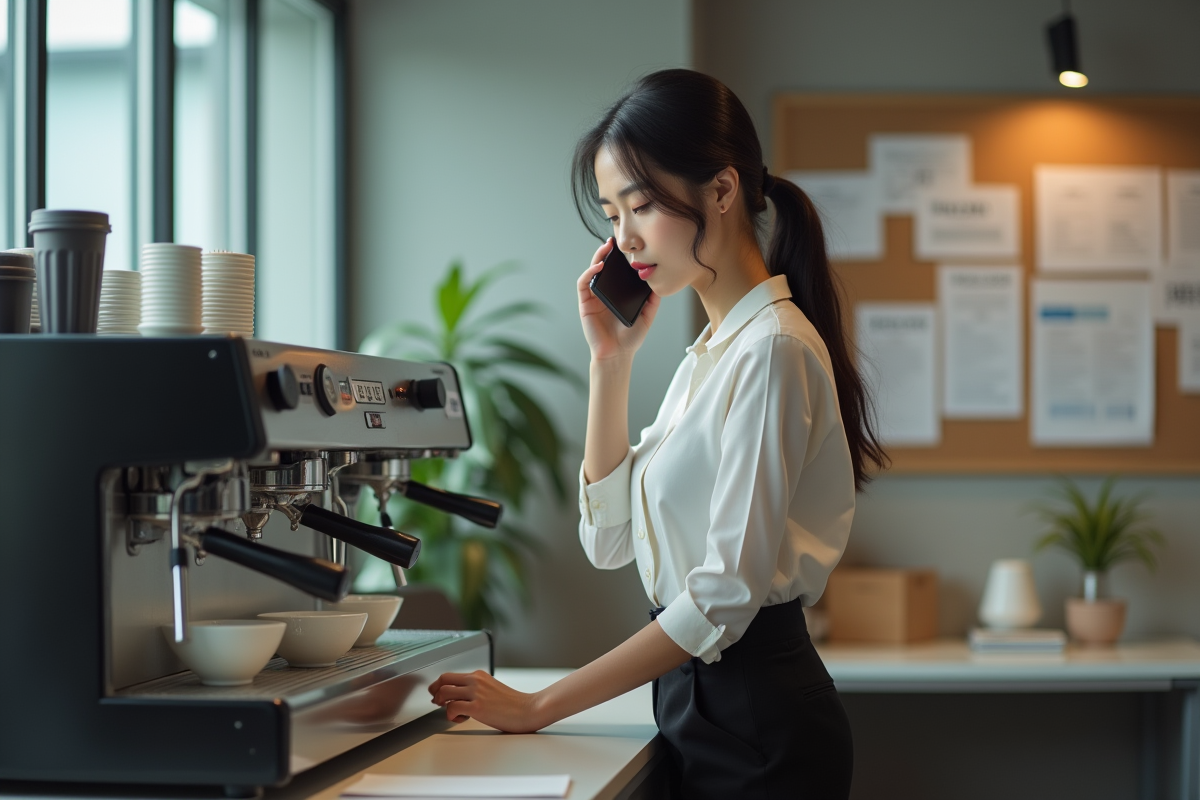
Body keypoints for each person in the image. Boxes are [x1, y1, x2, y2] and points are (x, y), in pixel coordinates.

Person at [429, 68, 886, 799]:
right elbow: (608, 541)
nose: (625, 239)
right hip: (698, 706)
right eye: (611, 215)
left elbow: (723, 596)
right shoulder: (710, 354)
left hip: (759, 720)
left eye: (640, 206)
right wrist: (610, 364)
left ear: (723, 190)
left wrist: (541, 705)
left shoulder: (771, 351)